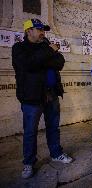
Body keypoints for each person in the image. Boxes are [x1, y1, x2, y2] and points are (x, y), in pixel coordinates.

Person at [12, 19, 73, 179]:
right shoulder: (19, 48)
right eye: (38, 29)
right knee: (30, 132)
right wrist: (48, 53)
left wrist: (46, 55)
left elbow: (59, 62)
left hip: (51, 94)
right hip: (32, 97)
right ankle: (29, 163)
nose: (42, 33)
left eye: (43, 30)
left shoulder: (45, 47)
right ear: (28, 31)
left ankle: (56, 153)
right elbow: (28, 64)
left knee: (53, 127)